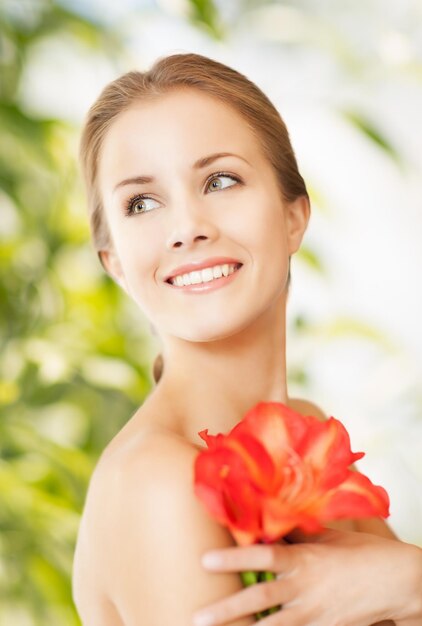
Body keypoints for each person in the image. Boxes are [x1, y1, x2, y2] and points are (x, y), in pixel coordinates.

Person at [71, 52, 422, 625]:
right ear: (114, 262)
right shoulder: (159, 483)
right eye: (142, 202)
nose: (187, 228)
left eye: (220, 180)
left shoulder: (300, 438)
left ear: (294, 216)